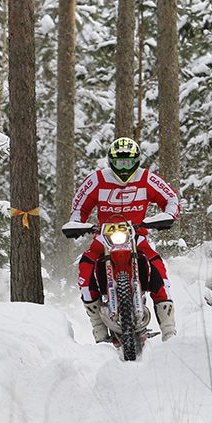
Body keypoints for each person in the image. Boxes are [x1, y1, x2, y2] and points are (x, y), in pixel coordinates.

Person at [66, 137, 180, 342]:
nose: (124, 167)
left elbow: (170, 198)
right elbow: (79, 207)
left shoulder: (146, 178)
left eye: (128, 162)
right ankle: (99, 330)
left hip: (137, 236)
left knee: (157, 268)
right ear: (111, 161)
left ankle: (169, 331)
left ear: (136, 160)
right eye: (119, 162)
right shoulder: (97, 179)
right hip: (103, 237)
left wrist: (169, 216)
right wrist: (76, 223)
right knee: (85, 266)